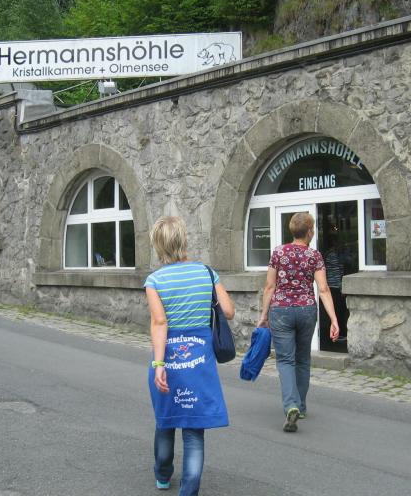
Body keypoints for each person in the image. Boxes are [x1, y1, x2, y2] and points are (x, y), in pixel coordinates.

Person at [145, 216, 235, 495]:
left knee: (166, 420)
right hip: (199, 365)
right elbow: (228, 311)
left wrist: (159, 364)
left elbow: (160, 322)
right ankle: (189, 490)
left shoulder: (154, 280)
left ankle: (163, 475)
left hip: (168, 360)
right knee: (194, 430)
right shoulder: (207, 273)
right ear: (184, 240)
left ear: (159, 245)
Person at [257, 212, 339, 432]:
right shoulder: (314, 256)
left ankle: (290, 404)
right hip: (306, 310)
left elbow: (270, 286)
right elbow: (323, 289)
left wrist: (264, 315)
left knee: (285, 360)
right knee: (303, 359)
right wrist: (333, 319)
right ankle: (300, 406)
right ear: (309, 232)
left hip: (281, 310)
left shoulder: (278, 252)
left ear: (292, 230)